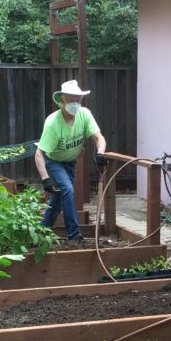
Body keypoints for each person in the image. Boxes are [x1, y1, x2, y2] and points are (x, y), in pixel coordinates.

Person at [34, 80, 107, 244]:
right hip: (54, 163)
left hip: (70, 163)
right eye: (71, 100)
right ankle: (74, 236)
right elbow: (39, 154)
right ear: (62, 101)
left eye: (78, 100)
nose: (75, 103)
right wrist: (46, 179)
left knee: (58, 198)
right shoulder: (53, 123)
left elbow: (98, 137)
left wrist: (101, 153)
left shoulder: (84, 114)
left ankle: (41, 233)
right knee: (68, 191)